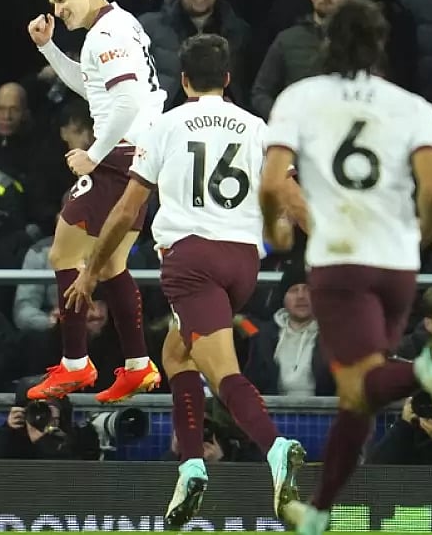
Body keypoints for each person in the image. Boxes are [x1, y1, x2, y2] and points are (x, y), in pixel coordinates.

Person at [65, 34, 306, 528]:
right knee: (177, 354)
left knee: (224, 373)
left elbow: (128, 208)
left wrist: (90, 270)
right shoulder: (259, 127)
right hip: (242, 262)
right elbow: (292, 197)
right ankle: (192, 464)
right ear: (229, 79)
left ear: (184, 81)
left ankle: (276, 448)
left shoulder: (166, 125)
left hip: (191, 259)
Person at [257, 0, 432, 535]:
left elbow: (271, 178)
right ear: (380, 46)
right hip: (396, 262)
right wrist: (419, 235)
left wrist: (274, 229)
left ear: (329, 41)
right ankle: (320, 512)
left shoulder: (300, 98)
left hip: (339, 259)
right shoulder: (412, 105)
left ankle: (423, 369)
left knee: (360, 383)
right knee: (360, 393)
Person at [24, 0, 167, 402]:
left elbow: (124, 103)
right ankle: (137, 365)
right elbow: (97, 89)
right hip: (136, 156)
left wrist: (93, 154)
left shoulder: (105, 34)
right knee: (110, 265)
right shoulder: (118, 27)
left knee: (63, 251)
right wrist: (49, 48)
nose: (59, 10)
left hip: (119, 157)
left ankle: (75, 365)